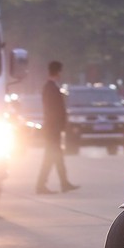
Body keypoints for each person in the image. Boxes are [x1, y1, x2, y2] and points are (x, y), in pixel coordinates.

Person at [35, 61, 79, 194]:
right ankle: (42, 185)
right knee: (51, 157)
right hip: (52, 129)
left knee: (55, 156)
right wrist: (59, 125)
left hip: (53, 128)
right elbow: (53, 110)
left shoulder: (51, 87)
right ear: (58, 72)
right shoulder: (50, 88)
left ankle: (62, 183)